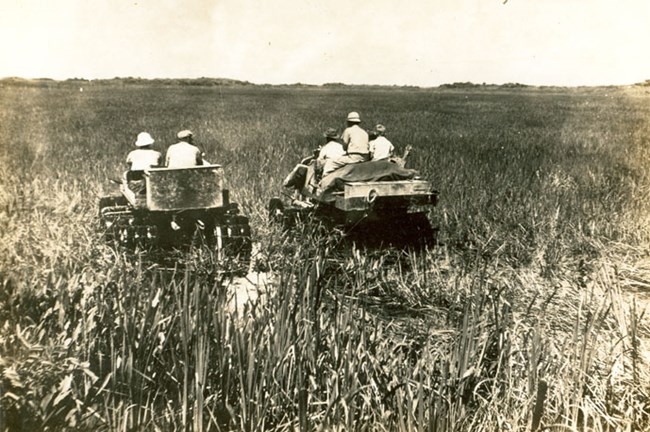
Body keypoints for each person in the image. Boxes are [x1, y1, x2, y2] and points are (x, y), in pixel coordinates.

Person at [322, 112, 369, 176]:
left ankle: (324, 180)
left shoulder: (348, 130)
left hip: (354, 157)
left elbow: (344, 147)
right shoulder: (364, 132)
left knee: (330, 163)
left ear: (349, 122)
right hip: (366, 157)